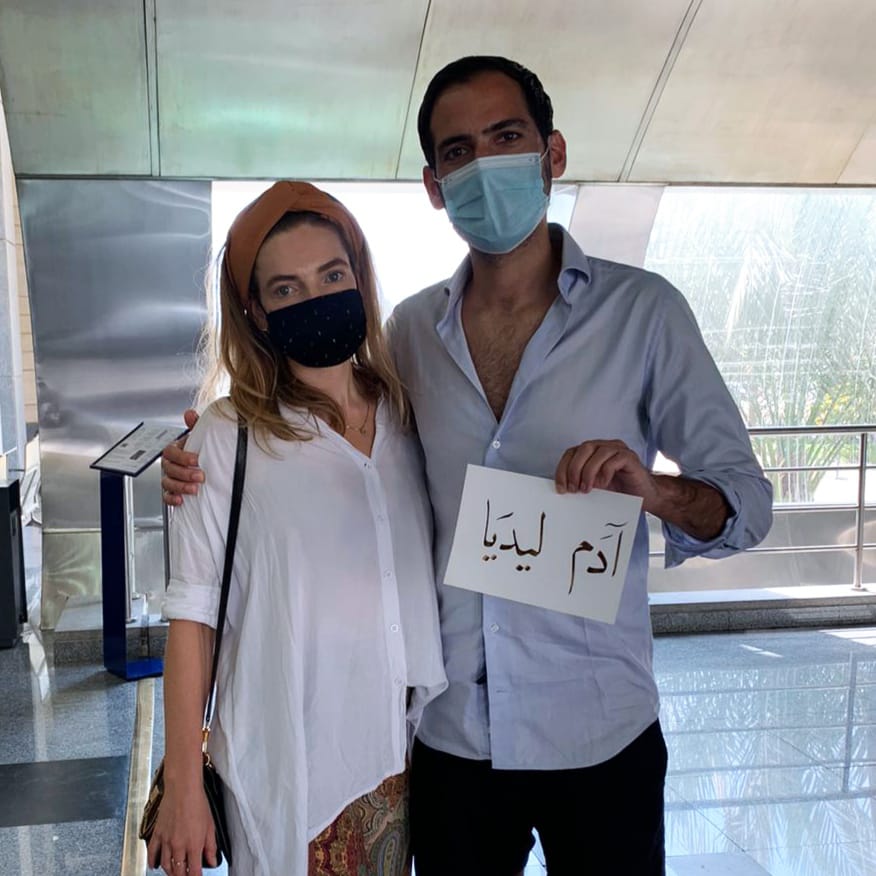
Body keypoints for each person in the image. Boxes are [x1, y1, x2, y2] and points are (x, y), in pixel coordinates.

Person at [162, 57, 773, 875]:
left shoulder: (645, 315)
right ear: (434, 185)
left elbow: (746, 506)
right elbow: (317, 434)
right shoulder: (411, 338)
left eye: (506, 137)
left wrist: (654, 489)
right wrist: (205, 448)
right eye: (458, 151)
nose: (484, 165)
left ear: (553, 153)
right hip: (452, 746)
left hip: (600, 732)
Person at [147, 181, 446, 876]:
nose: (316, 298)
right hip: (290, 771)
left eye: (333, 276)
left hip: (404, 759)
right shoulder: (227, 436)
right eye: (287, 289)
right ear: (255, 311)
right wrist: (184, 782)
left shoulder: (407, 413)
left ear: (360, 278)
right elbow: (193, 618)